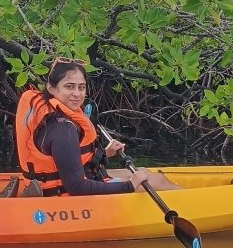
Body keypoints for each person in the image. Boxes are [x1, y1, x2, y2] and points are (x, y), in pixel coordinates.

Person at [15, 58, 181, 196]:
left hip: (69, 184)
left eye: (81, 87)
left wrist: (104, 154)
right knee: (157, 181)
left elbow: (72, 162)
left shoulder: (53, 117)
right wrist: (129, 186)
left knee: (144, 170)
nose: (77, 93)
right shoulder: (63, 130)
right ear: (51, 88)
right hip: (64, 197)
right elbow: (77, 187)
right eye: (69, 86)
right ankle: (197, 206)